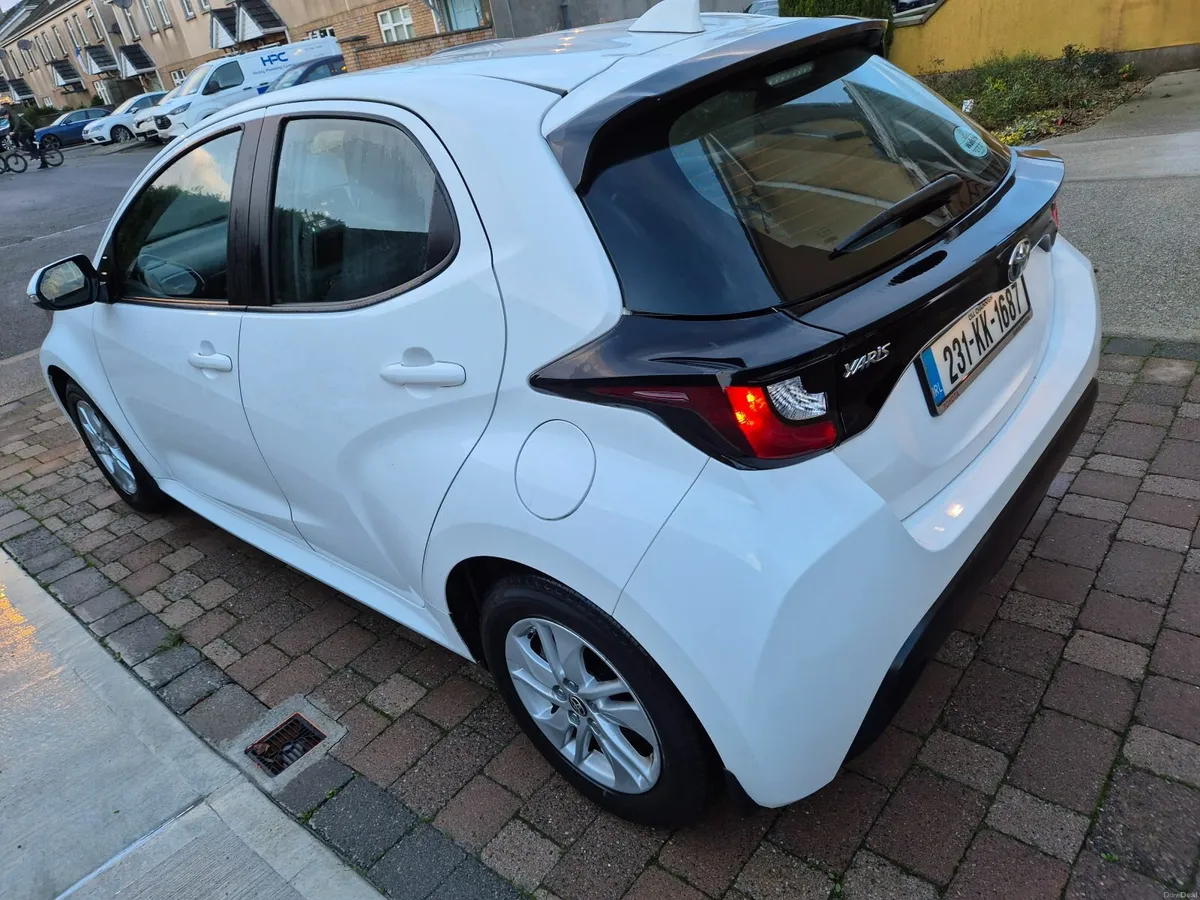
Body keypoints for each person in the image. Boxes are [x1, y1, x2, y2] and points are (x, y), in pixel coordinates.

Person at [3, 104, 45, 169]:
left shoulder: (14, 116)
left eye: (4, 116)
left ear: (7, 114)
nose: (4, 117)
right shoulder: (10, 119)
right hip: (25, 131)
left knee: (21, 137)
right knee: (34, 145)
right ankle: (43, 162)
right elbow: (11, 127)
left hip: (29, 129)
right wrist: (8, 134)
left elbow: (17, 124)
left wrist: (14, 131)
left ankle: (30, 151)